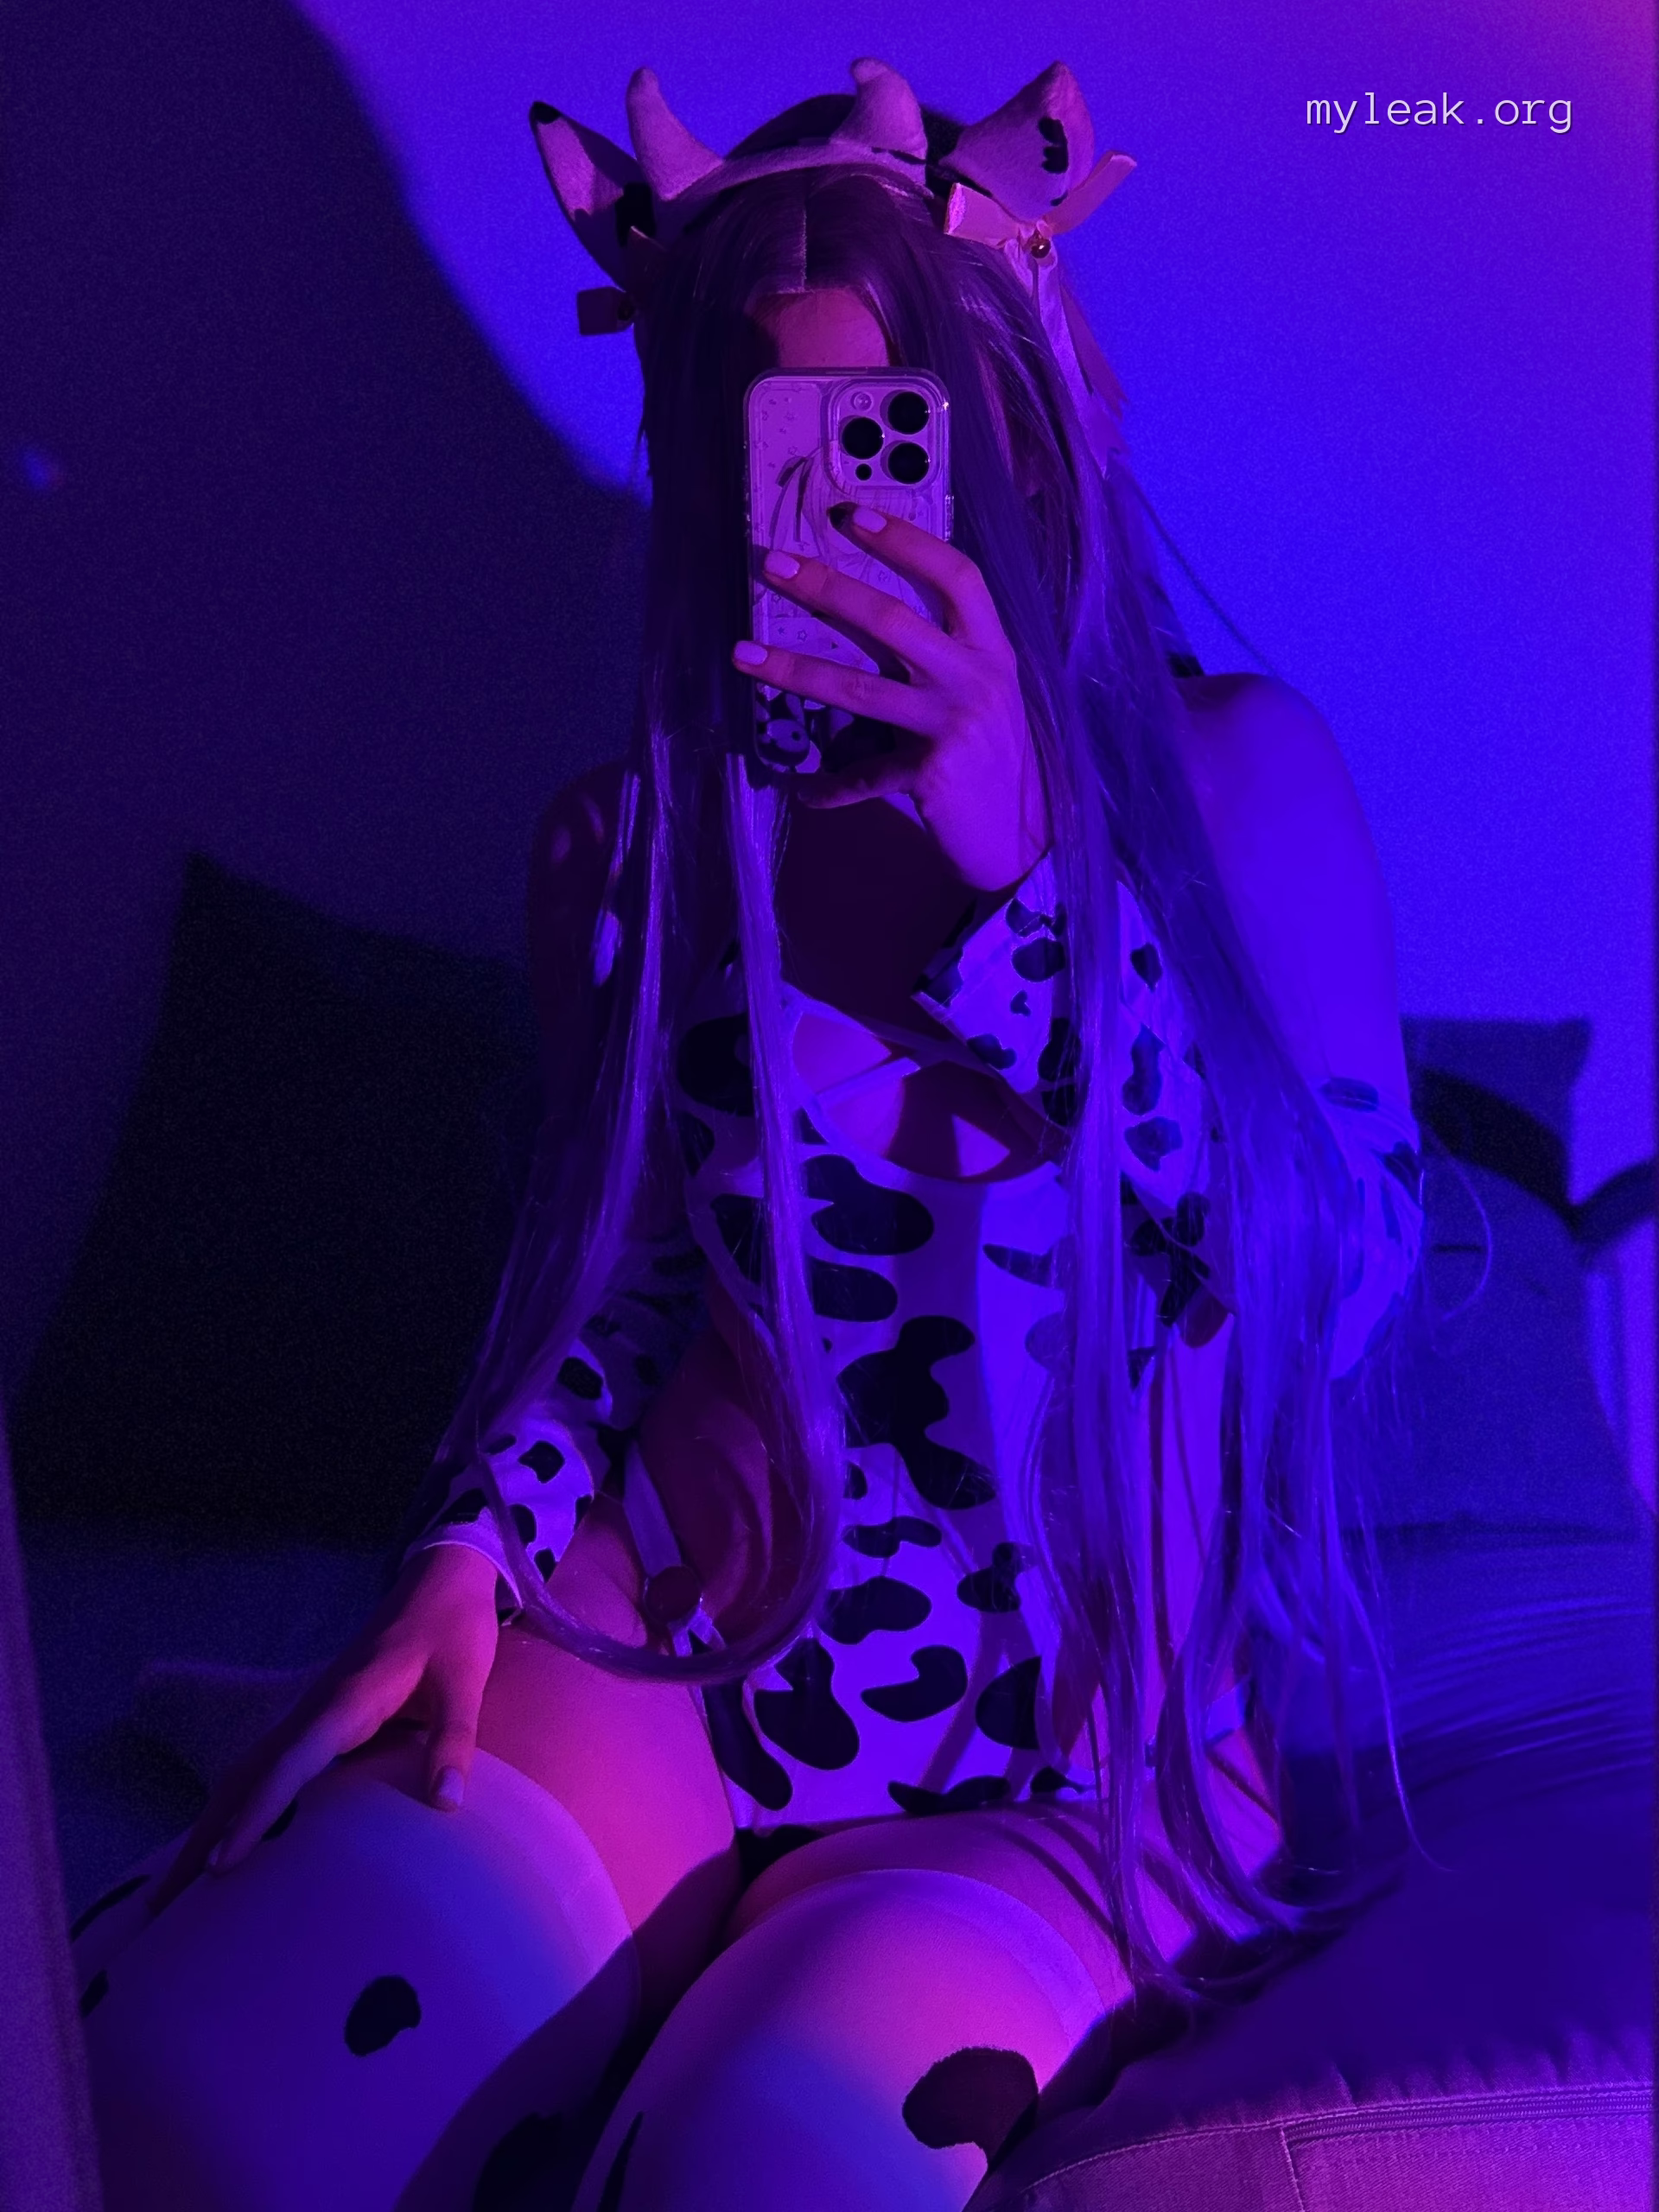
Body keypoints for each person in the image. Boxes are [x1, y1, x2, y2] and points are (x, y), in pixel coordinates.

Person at [69, 60, 1424, 2212]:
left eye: (882, 431)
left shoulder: (1236, 777)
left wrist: (1025, 892)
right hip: (675, 1642)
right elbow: (639, 1282)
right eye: (758, 444)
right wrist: (475, 1539)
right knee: (218, 2090)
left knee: (773, 2168)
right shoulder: (679, 820)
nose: (822, 510)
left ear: (1016, 420)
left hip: (1069, 1738)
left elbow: (1326, 1290)